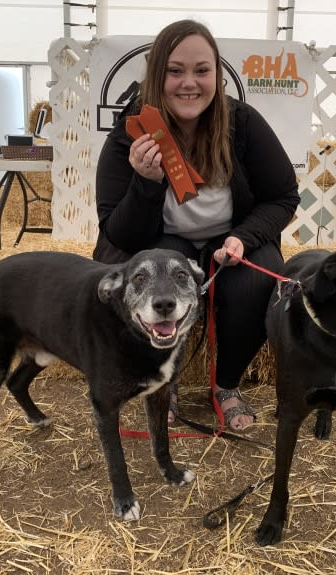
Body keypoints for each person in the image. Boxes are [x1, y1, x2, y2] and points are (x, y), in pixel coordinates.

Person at [93, 19, 300, 431]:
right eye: (175, 71)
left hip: (232, 238)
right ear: (157, 76)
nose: (189, 83)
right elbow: (119, 234)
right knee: (159, 273)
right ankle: (163, 384)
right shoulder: (128, 133)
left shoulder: (244, 123)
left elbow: (283, 197)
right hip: (160, 240)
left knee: (256, 282)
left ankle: (225, 385)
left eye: (201, 71)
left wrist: (243, 236)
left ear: (217, 76)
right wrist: (145, 184)